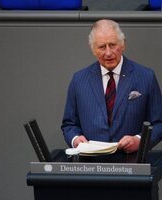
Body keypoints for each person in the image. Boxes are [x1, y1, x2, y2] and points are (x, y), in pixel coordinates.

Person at [61, 19, 162, 153]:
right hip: (91, 165)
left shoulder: (146, 77)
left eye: (112, 45)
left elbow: (159, 124)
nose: (108, 53)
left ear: (123, 44)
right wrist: (75, 139)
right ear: (93, 49)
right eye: (102, 47)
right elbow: (69, 124)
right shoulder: (79, 80)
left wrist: (139, 140)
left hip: (131, 164)